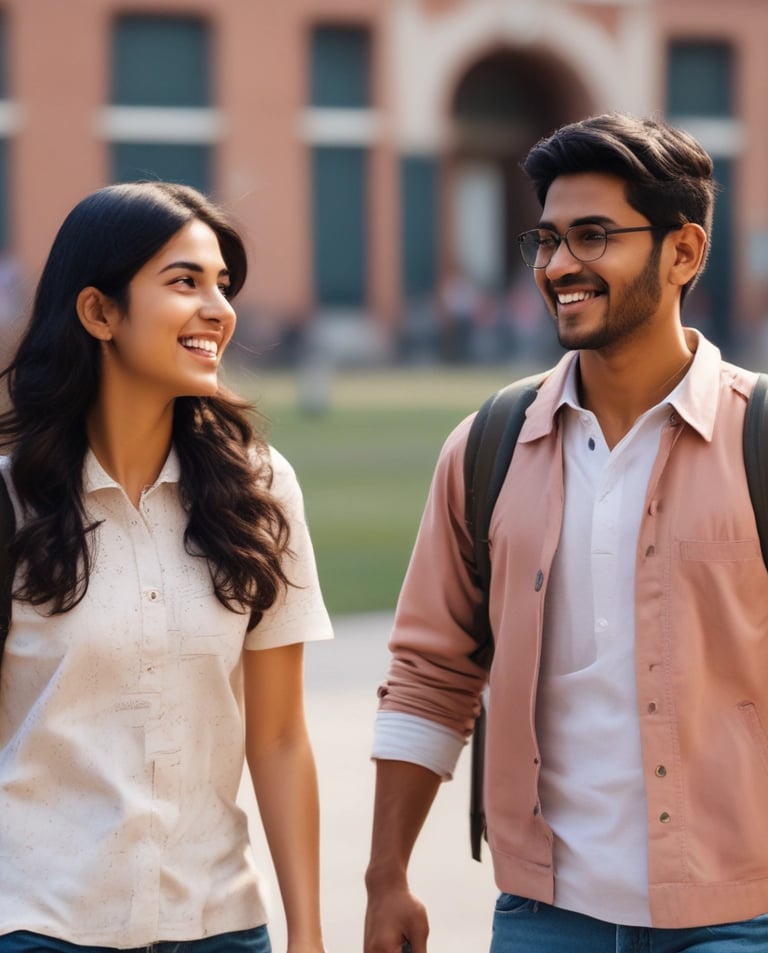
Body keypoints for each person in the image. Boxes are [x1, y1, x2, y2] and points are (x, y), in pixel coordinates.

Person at [364, 112, 768, 952]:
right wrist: (385, 876)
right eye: (547, 241)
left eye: (593, 237)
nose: (559, 267)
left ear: (683, 252)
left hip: (741, 913)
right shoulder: (488, 446)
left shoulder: (757, 436)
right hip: (546, 917)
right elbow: (429, 674)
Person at [0, 182, 333, 952]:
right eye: (185, 282)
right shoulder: (12, 498)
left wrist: (308, 935)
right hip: (40, 924)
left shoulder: (260, 487)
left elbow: (280, 737)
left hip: (219, 924)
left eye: (223, 284)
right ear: (99, 312)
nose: (219, 308)